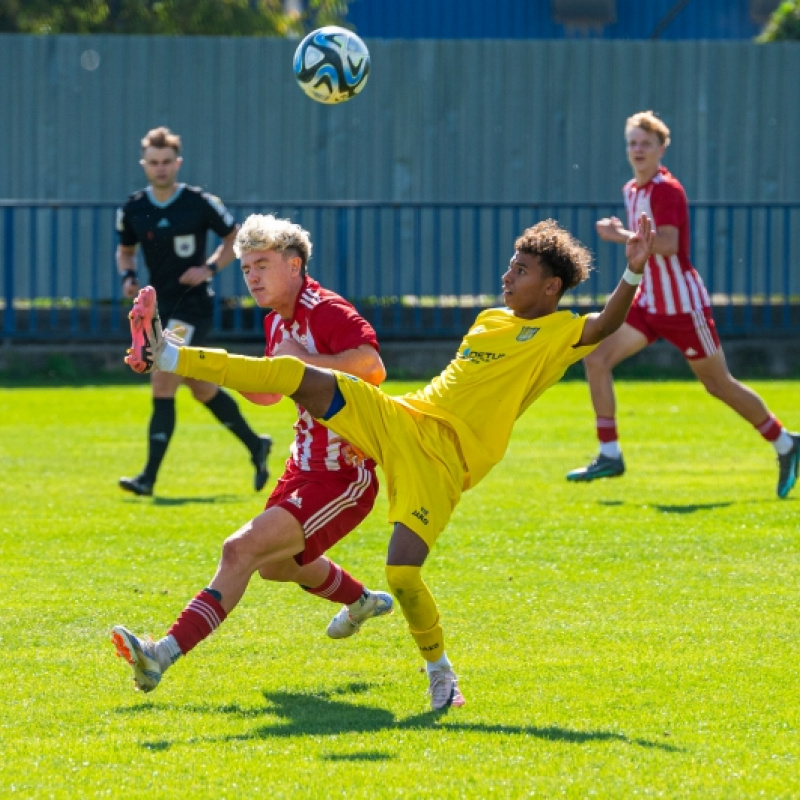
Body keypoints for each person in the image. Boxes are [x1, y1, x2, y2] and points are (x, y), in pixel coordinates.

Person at [121, 212, 656, 711]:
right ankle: (166, 354)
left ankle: (440, 670)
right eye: (510, 266)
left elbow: (607, 323)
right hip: (403, 421)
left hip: (446, 462)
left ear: (551, 287)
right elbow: (283, 382)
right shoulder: (489, 318)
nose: (507, 276)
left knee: (402, 572)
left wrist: (633, 271)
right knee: (291, 382)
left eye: (520, 270)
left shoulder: (560, 333)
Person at [112, 214, 393, 695]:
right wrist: (207, 366)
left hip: (344, 474)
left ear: (295, 265)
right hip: (303, 467)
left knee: (238, 550)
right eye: (245, 269)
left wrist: (301, 362)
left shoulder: (326, 309)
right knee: (274, 565)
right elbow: (268, 393)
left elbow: (372, 366)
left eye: (262, 264)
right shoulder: (277, 321)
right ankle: (362, 601)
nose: (253, 277)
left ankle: (160, 654)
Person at [566, 110, 799, 499]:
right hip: (648, 302)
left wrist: (617, 235)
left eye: (646, 143)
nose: (638, 150)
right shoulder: (631, 190)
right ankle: (609, 453)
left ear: (661, 148)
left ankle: (785, 443)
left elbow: (669, 245)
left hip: (682, 307)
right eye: (632, 143)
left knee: (718, 384)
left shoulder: (666, 190)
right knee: (596, 358)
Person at [116, 126, 271, 497]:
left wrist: (209, 268)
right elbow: (126, 250)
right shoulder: (134, 207)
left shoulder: (200, 202)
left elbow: (234, 238)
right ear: (144, 164)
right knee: (201, 388)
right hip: (159, 306)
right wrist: (128, 276)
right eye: (153, 162)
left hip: (193, 306)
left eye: (167, 162)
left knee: (162, 375)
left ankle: (148, 479)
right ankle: (256, 445)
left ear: (178, 163)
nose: (160, 168)